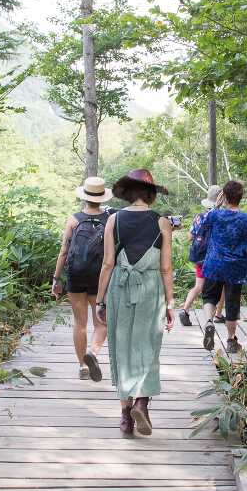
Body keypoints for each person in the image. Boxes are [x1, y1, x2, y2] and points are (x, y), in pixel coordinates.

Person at [94, 169, 175, 437]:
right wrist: (171, 302)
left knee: (122, 348)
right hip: (151, 289)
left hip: (120, 286)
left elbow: (108, 263)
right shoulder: (162, 222)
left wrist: (100, 300)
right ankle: (141, 401)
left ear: (127, 193)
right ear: (151, 194)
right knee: (148, 345)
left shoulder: (113, 219)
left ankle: (125, 417)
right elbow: (166, 268)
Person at [51, 176, 112, 381]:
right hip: (99, 275)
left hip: (76, 274)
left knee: (80, 323)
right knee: (101, 322)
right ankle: (92, 353)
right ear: (102, 198)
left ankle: (82, 367)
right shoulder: (110, 220)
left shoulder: (74, 219)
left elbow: (64, 251)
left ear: (84, 197)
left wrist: (56, 279)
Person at [199, 180, 247, 354]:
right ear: (241, 197)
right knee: (232, 303)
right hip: (236, 267)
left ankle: (209, 322)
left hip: (214, 265)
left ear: (223, 196)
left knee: (209, 297)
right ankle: (231, 340)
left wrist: (217, 206)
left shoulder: (214, 215)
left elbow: (202, 227)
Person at [175, 184, 223, 326]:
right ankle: (218, 315)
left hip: (200, 257)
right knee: (221, 286)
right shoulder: (221, 217)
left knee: (198, 286)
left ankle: (185, 310)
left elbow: (190, 237)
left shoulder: (199, 217)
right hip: (215, 258)